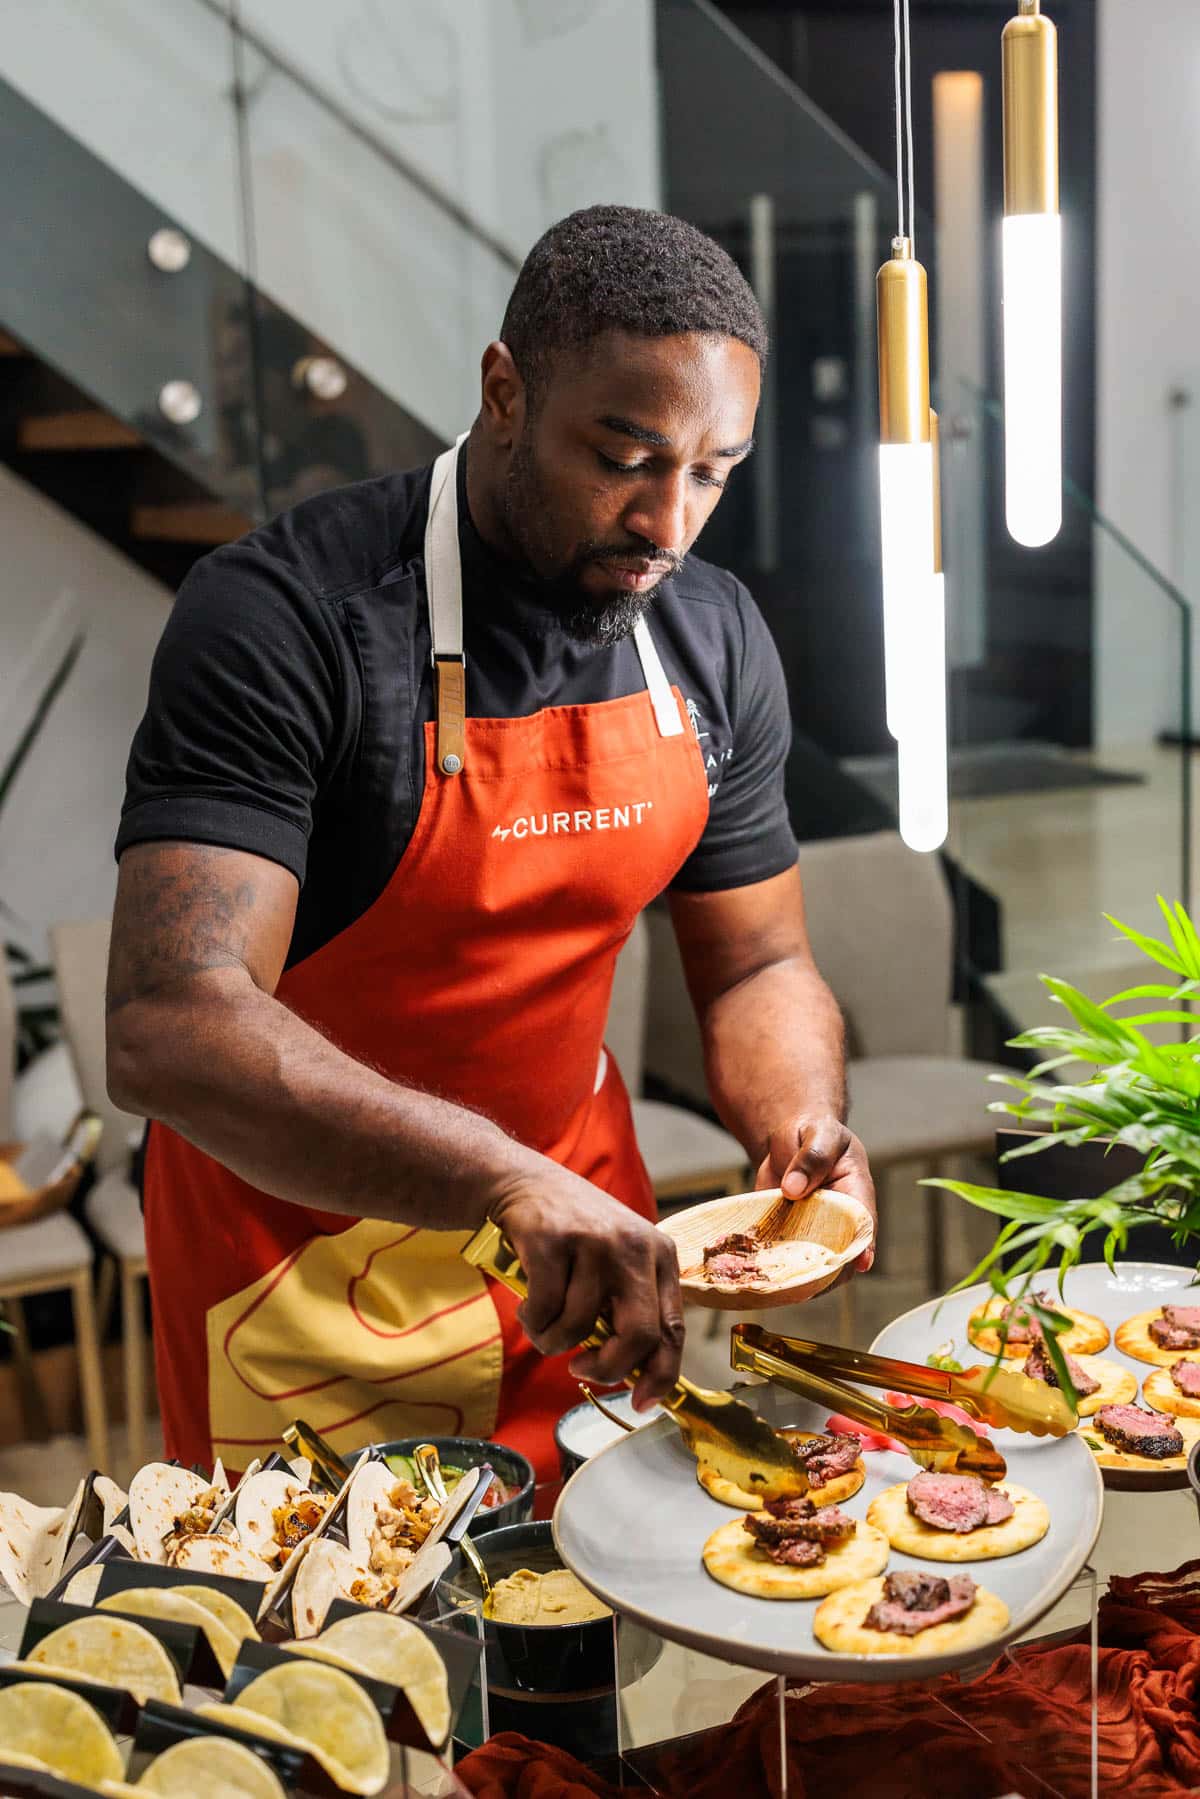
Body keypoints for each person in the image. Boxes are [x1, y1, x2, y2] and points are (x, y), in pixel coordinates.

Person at [106, 204, 876, 1478]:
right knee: (336, 1662)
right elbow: (171, 1022)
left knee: (581, 1628)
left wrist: (804, 1131)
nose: (668, 522)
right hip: (293, 1270)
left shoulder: (712, 635)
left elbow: (756, 965)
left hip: (583, 1251)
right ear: (505, 390)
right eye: (625, 455)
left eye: (713, 471)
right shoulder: (288, 619)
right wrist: (502, 1179)